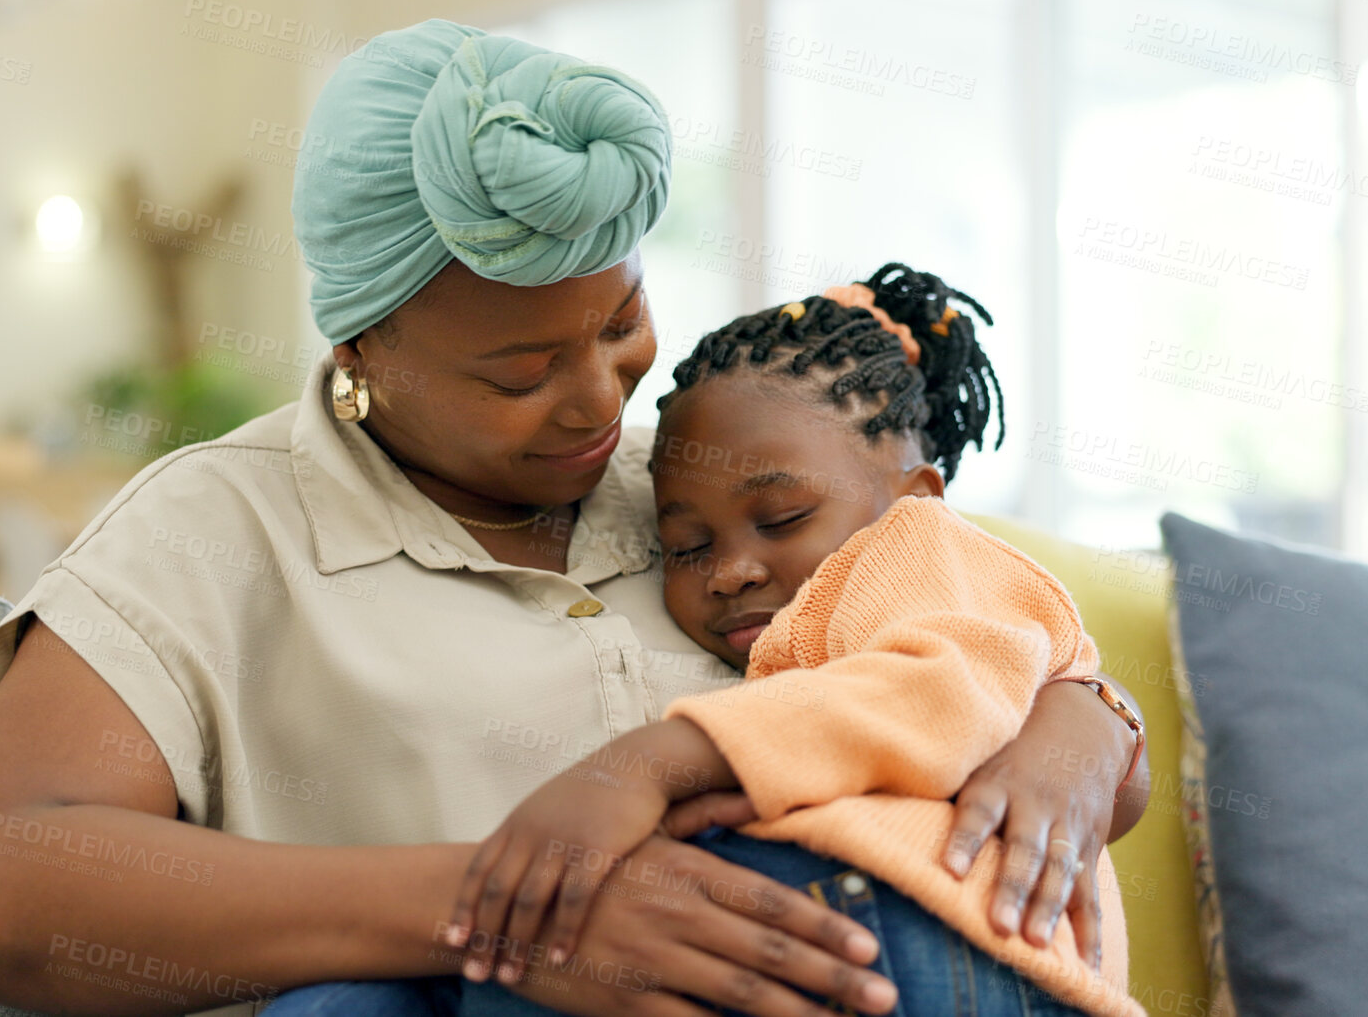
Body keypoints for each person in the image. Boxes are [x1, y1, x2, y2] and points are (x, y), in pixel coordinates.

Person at [0, 17, 1149, 1017]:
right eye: (518, 374)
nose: (597, 401)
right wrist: (504, 909)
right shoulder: (217, 525)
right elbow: (3, 891)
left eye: (620, 324)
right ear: (361, 346)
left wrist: (1089, 727)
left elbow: (973, 627)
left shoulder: (714, 481)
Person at [265, 266, 1148, 1017]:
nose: (728, 570)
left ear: (916, 493)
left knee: (471, 969)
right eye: (687, 546)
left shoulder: (927, 548)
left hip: (924, 932)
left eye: (782, 517)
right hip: (868, 928)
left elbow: (934, 694)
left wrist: (649, 762)